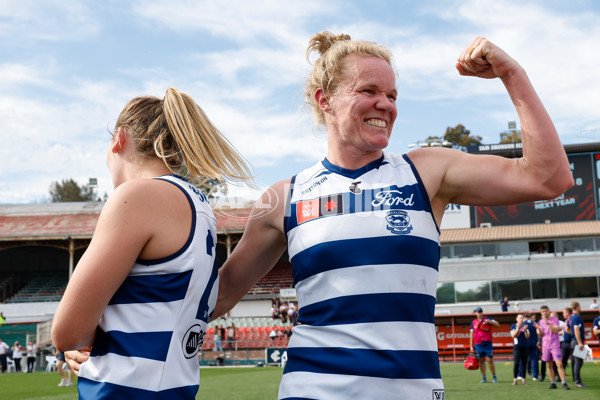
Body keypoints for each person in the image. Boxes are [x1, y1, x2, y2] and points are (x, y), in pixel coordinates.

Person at [69, 32, 574, 398]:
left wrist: (513, 74)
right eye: (369, 91)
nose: (386, 105)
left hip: (413, 391)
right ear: (324, 100)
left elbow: (548, 179)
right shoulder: (283, 198)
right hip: (314, 390)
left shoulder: (427, 171)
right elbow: (214, 296)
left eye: (393, 95)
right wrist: (96, 336)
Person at [51, 87, 252, 399]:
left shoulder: (138, 196)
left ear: (119, 139)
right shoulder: (199, 205)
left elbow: (66, 333)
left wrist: (82, 341)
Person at [537, 306, 569, 390]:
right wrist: (538, 329)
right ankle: (553, 382)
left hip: (555, 345)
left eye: (545, 311)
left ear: (549, 311)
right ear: (541, 313)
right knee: (549, 365)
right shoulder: (541, 322)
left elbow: (555, 330)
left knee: (560, 364)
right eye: (543, 312)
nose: (544, 313)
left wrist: (548, 322)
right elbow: (541, 334)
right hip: (545, 346)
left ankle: (564, 383)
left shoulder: (554, 320)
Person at [470, 307, 500, 383]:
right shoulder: (473, 323)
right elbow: (471, 334)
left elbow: (497, 324)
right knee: (481, 360)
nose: (479, 313)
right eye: (478, 312)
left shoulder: (487, 318)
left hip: (487, 343)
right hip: (478, 344)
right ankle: (484, 377)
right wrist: (471, 346)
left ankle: (494, 376)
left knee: (489, 360)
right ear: (475, 313)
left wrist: (490, 321)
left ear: (482, 312)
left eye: (480, 312)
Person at [565, 301, 587, 388]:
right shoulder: (577, 317)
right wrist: (580, 342)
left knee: (576, 362)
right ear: (577, 307)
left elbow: (567, 329)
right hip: (577, 342)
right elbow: (576, 329)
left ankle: (576, 380)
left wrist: (573, 335)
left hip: (574, 341)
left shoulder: (571, 317)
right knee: (578, 362)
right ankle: (578, 381)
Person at [510, 314, 530, 385]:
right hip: (517, 347)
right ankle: (515, 379)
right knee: (516, 363)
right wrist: (518, 328)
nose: (521, 320)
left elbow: (527, 337)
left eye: (522, 318)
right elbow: (513, 335)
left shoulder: (525, 326)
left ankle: (523, 379)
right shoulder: (513, 326)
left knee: (524, 363)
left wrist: (525, 331)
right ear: (516, 319)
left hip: (525, 347)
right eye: (520, 318)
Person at [523, 312, 539, 381]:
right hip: (534, 343)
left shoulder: (524, 323)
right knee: (534, 360)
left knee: (522, 360)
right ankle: (535, 376)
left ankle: (521, 375)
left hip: (525, 344)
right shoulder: (534, 323)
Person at [561, 307, 573, 373]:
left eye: (564, 313)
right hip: (565, 342)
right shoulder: (565, 321)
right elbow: (564, 331)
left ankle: (576, 377)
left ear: (567, 313)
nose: (563, 314)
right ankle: (560, 376)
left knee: (575, 361)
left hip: (572, 342)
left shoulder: (572, 320)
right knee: (563, 360)